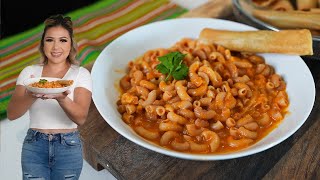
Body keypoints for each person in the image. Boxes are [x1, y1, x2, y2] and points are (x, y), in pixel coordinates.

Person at [7, 14, 92, 180]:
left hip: (68, 146)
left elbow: (80, 118)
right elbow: (12, 114)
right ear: (42, 44)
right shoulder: (29, 72)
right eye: (49, 40)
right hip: (34, 145)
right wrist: (31, 95)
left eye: (63, 40)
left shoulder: (81, 74)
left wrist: (61, 97)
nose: (55, 47)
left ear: (71, 44)